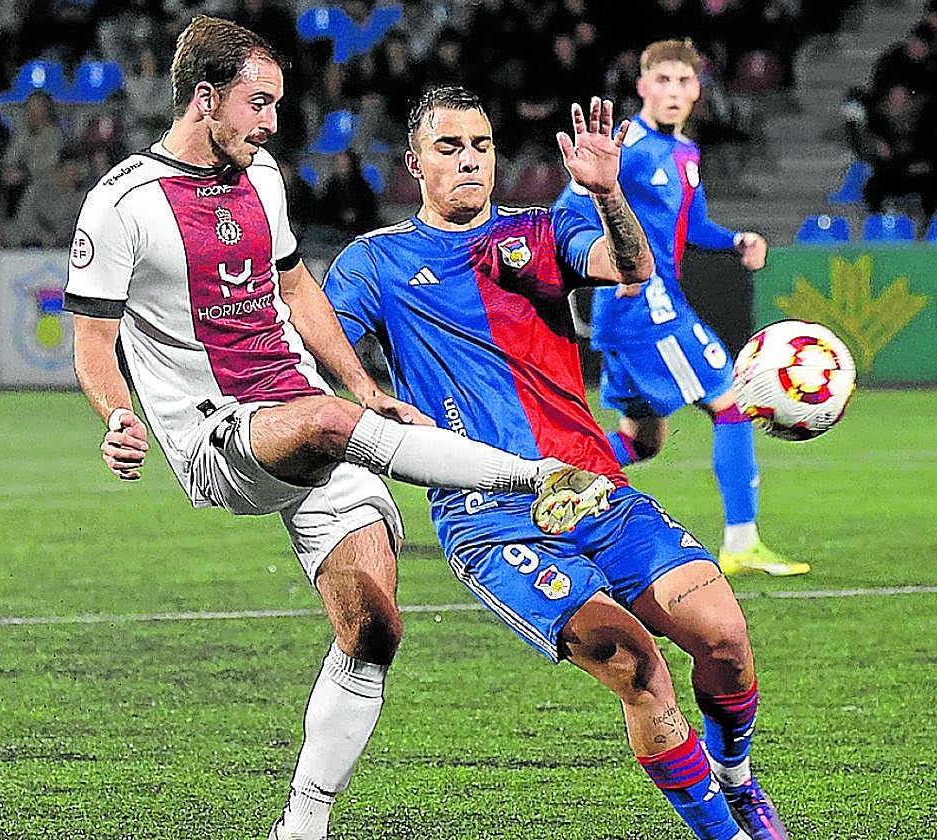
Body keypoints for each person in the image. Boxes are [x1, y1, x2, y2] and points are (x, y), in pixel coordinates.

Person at [61, 17, 612, 840]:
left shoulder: (264, 178)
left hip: (313, 417)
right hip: (219, 435)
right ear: (205, 99)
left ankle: (302, 821)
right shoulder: (121, 205)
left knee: (373, 629)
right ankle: (533, 477)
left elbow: (299, 292)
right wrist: (117, 416)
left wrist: (364, 387)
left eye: (277, 104)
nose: (274, 122)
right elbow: (93, 342)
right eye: (259, 103)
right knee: (326, 418)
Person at [324, 85, 788, 840]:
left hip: (592, 489)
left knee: (727, 641)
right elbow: (317, 348)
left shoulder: (543, 230)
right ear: (414, 164)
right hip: (490, 518)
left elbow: (631, 266)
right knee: (638, 666)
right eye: (449, 148)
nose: (469, 161)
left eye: (480, 146)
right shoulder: (372, 263)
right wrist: (365, 393)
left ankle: (736, 775)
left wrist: (608, 195)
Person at [553, 39, 808, 577]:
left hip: (639, 310)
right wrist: (599, 269)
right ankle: (742, 541)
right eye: (661, 81)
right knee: (731, 402)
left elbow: (692, 227)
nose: (672, 92)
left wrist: (736, 240)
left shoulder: (686, 153)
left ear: (698, 90)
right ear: (642, 86)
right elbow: (570, 208)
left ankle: (545, 494)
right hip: (643, 304)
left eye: (683, 82)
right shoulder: (628, 147)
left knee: (639, 441)